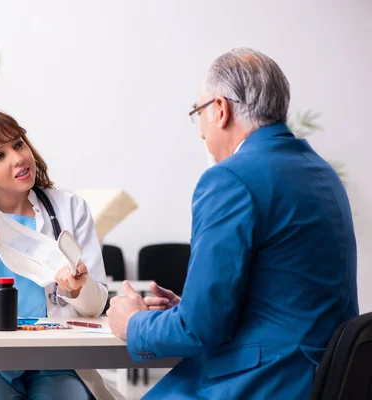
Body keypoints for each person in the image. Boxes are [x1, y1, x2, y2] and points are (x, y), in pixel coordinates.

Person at [107, 48, 358, 399]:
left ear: (221, 109)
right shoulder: (320, 172)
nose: (201, 134)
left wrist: (132, 323)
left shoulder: (230, 179)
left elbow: (200, 330)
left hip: (263, 381)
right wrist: (188, 305)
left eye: (199, 114)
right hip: (322, 376)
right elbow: (284, 293)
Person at [0, 109, 122, 400]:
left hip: (54, 360)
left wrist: (78, 289)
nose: (18, 159)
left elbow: (96, 305)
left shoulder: (69, 208)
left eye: (18, 144)